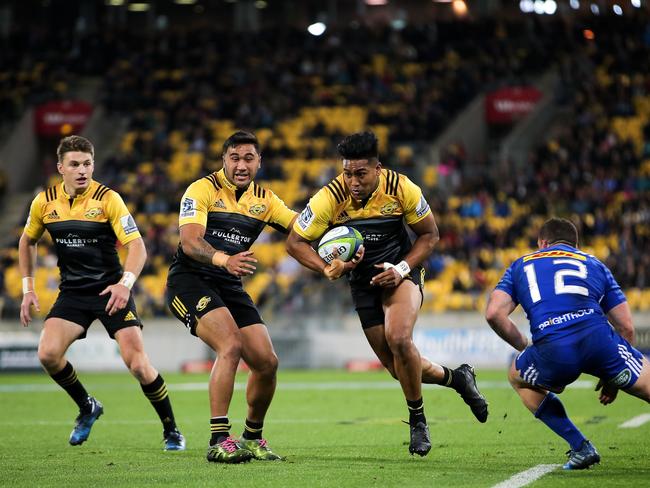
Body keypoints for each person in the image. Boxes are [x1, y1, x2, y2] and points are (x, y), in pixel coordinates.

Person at [286, 130, 488, 457]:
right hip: (361, 283)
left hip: (400, 274)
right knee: (399, 368)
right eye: (347, 173)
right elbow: (294, 242)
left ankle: (418, 421)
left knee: (399, 338)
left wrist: (402, 269)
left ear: (377, 169)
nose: (352, 181)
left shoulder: (402, 188)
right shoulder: (329, 196)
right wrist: (325, 268)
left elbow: (430, 235)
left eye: (360, 174)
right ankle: (459, 379)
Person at [19, 135, 185, 450]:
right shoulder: (44, 202)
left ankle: (171, 430)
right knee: (47, 354)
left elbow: (137, 246)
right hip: (73, 292)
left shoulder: (109, 199)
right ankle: (87, 406)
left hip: (110, 290)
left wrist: (125, 285)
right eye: (75, 164)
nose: (82, 170)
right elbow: (27, 241)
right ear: (60, 168)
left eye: (87, 164)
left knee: (137, 363)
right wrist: (28, 288)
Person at [166, 130, 296, 463]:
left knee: (267, 364)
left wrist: (338, 236)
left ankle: (251, 437)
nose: (241, 165)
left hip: (229, 284)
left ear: (259, 162)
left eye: (248, 158)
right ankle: (218, 440)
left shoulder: (265, 200)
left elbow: (301, 228)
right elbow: (190, 243)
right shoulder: (202, 189)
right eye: (235, 157)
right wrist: (225, 259)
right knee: (231, 345)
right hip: (190, 280)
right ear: (224, 159)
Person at [485, 217, 650, 470]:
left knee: (516, 376)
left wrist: (524, 346)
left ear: (542, 242)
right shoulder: (594, 263)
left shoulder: (520, 265)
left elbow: (494, 313)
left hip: (553, 349)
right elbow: (626, 326)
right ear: (575, 244)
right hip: (599, 341)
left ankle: (580, 446)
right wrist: (612, 380)